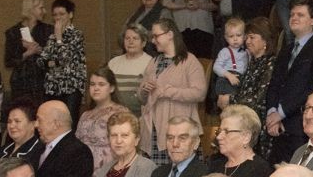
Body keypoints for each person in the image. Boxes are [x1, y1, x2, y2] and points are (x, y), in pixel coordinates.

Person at [264, 0, 313, 165]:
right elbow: (274, 83)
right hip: (276, 127)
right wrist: (272, 113)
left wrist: (281, 113)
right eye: (292, 14)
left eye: (300, 15)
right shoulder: (286, 49)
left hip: (301, 127)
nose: (294, 18)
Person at [140, 18, 208, 168]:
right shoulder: (154, 62)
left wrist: (168, 91)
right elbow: (142, 97)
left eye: (156, 36)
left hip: (179, 131)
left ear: (170, 34)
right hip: (154, 131)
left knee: (181, 174)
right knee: (156, 175)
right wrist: (144, 90)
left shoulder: (189, 61)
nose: (153, 40)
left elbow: (200, 93)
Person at [228, 17, 280, 160]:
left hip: (259, 125)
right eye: (247, 37)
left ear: (265, 41)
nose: (247, 41)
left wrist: (230, 100)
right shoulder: (252, 62)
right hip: (246, 121)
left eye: (252, 37)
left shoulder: (271, 63)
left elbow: (259, 98)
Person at [41, 0, 88, 122]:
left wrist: (59, 38)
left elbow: (65, 58)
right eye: (55, 15)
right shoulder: (51, 37)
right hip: (52, 87)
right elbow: (42, 60)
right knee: (51, 122)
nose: (58, 18)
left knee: (69, 122)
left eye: (62, 14)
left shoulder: (77, 35)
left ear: (70, 15)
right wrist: (53, 63)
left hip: (71, 87)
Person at [75, 67, 129, 172]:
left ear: (111, 88)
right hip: (84, 167)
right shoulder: (85, 115)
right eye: (92, 84)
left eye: (101, 84)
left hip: (109, 168)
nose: (96, 88)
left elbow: (126, 146)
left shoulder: (120, 112)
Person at [4, 0, 52, 108]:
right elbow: (8, 62)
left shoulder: (48, 30)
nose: (44, 11)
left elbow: (54, 59)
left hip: (42, 84)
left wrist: (39, 51)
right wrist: (28, 53)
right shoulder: (13, 32)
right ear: (31, 9)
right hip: (20, 84)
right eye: (41, 8)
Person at [0, 99, 41, 177]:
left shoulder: (40, 152)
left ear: (33, 124)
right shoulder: (2, 151)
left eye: (17, 121)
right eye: (9, 122)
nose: (12, 126)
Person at [107, 23, 155, 115]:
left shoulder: (151, 63)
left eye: (135, 38)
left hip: (140, 116)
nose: (130, 42)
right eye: (127, 38)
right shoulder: (113, 63)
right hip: (114, 115)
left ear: (143, 42)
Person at [212, 17, 250, 111]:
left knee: (239, 107)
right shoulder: (225, 51)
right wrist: (228, 75)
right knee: (229, 107)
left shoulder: (246, 52)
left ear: (244, 36)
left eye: (238, 35)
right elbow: (216, 67)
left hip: (240, 80)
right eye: (231, 36)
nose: (235, 39)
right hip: (226, 81)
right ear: (226, 38)